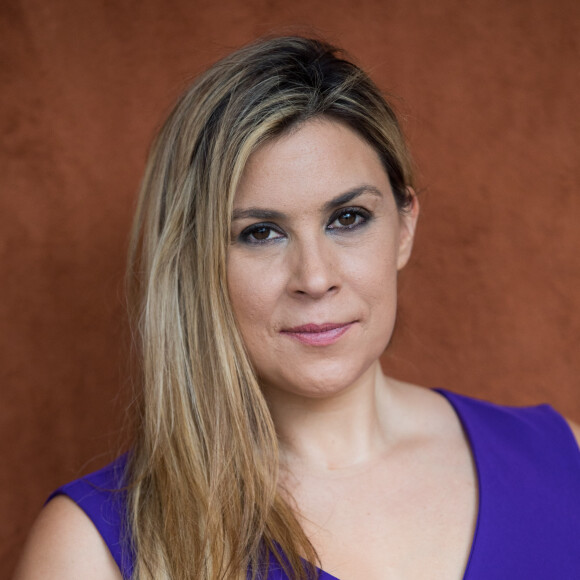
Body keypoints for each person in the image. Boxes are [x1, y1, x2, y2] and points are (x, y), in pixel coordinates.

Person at [14, 36, 580, 580]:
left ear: (405, 226)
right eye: (261, 233)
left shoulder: (564, 463)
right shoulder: (93, 551)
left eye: (348, 218)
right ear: (194, 259)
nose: (315, 278)